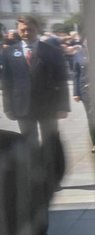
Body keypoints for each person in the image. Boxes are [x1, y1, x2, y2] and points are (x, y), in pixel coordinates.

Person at [1, 16, 69, 145]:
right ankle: (34, 165)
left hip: (48, 106)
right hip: (23, 106)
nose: (26, 33)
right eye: (23, 30)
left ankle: (50, 165)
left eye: (30, 29)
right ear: (17, 29)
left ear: (37, 29)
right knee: (28, 142)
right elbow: (6, 83)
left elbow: (61, 80)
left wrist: (63, 106)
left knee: (50, 141)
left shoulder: (52, 51)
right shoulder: (9, 52)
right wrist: (8, 108)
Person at [72, 37, 94, 151]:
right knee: (91, 117)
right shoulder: (78, 54)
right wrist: (76, 92)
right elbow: (76, 74)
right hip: (86, 89)